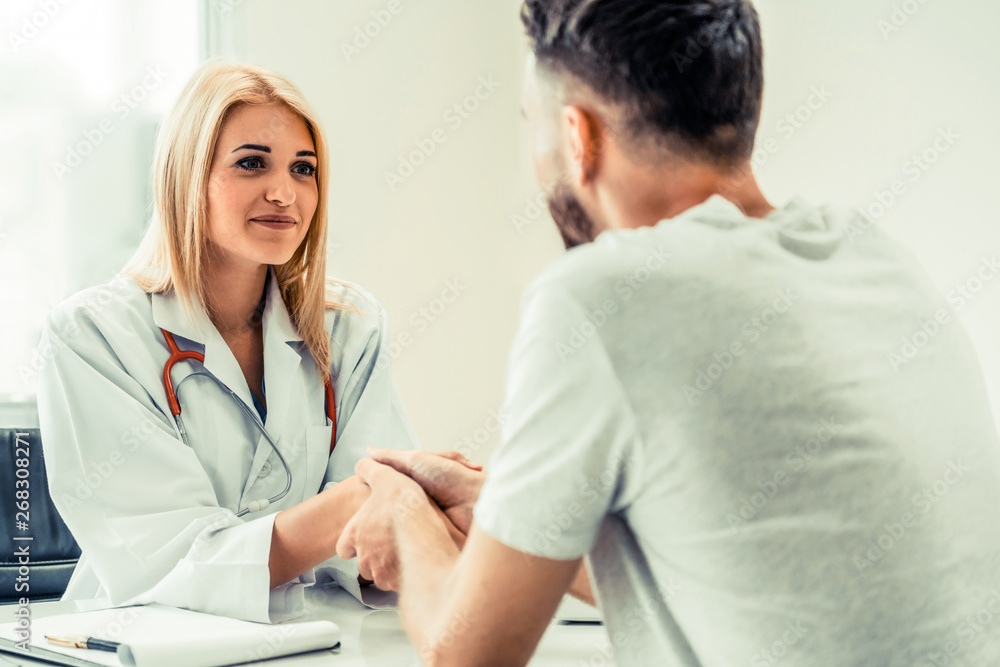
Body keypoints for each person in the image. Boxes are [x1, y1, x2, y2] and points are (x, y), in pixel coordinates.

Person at [337, 1, 1000, 665]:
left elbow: (465, 655)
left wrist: (403, 508)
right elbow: (731, 563)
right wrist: (501, 514)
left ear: (577, 137)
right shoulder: (870, 253)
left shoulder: (599, 297)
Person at [36, 61, 448, 622]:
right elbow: (168, 559)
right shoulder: (92, 336)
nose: (284, 193)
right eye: (252, 163)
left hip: (314, 640)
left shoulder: (350, 325)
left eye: (303, 169)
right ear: (187, 177)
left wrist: (419, 511)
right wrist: (366, 501)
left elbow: (375, 544)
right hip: (143, 642)